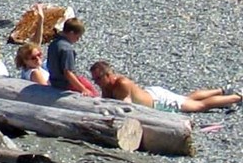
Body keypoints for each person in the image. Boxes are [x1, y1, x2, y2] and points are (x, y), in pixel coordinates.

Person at [90, 61, 241, 114]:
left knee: (197, 106)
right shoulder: (107, 85)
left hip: (158, 101)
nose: (96, 82)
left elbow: (125, 105)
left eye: (98, 78)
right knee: (185, 98)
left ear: (108, 75)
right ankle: (222, 90)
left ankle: (237, 97)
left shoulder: (121, 83)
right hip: (152, 94)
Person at [47, 18, 96, 95]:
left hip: (53, 81)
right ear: (71, 33)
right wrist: (83, 89)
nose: (78, 40)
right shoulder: (67, 49)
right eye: (77, 37)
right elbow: (68, 73)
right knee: (93, 93)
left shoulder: (53, 43)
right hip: (65, 84)